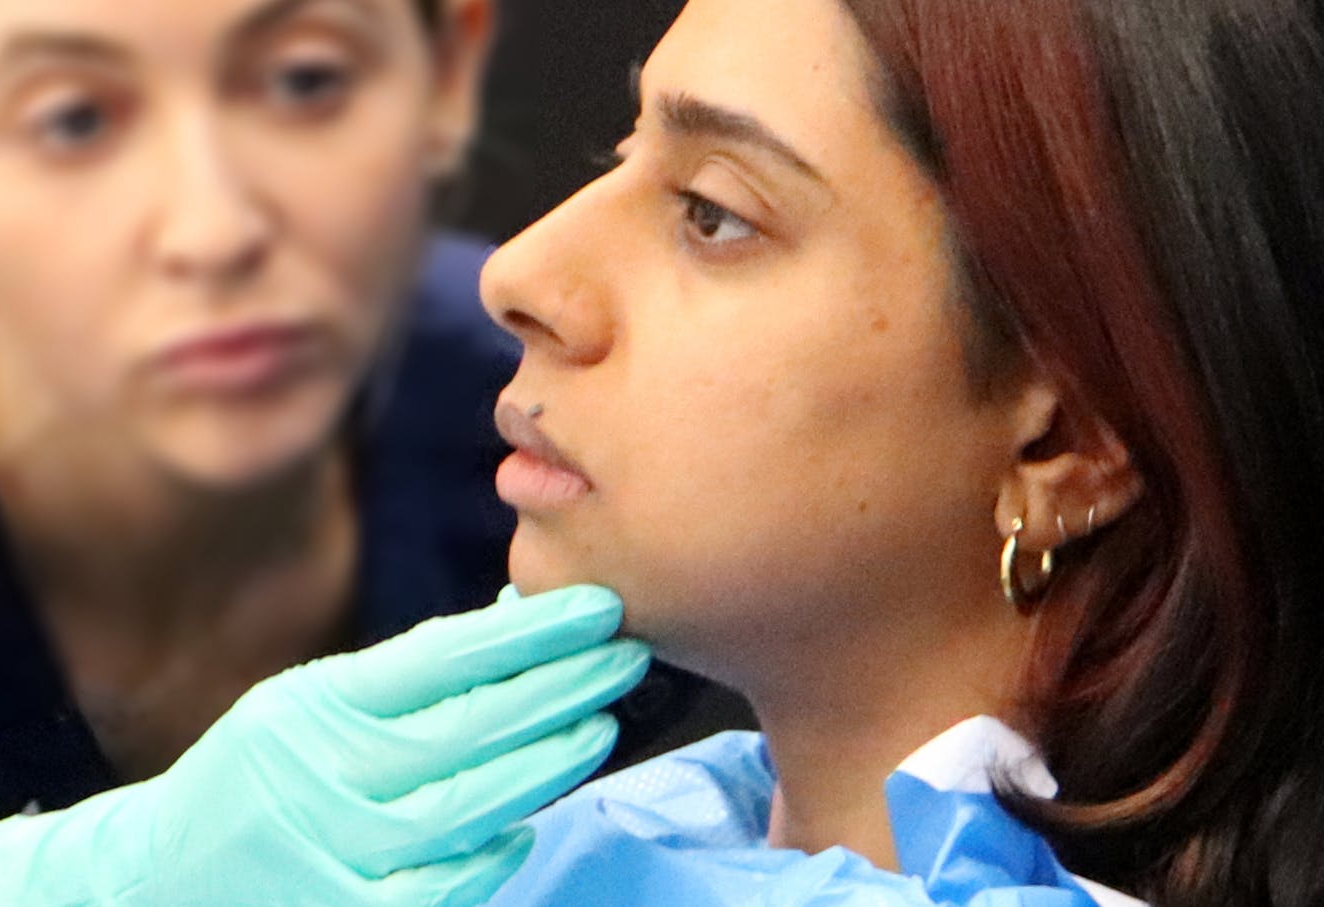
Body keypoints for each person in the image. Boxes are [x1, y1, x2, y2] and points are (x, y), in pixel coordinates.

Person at [0, 0, 665, 903]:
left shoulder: (564, 384)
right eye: (72, 118)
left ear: (445, 73)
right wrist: (92, 878)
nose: (210, 229)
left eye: (304, 82)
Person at [471, 0, 1324, 905]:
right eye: (623, 153)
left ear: (1064, 445)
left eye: (713, 213)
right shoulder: (617, 851)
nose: (517, 273)